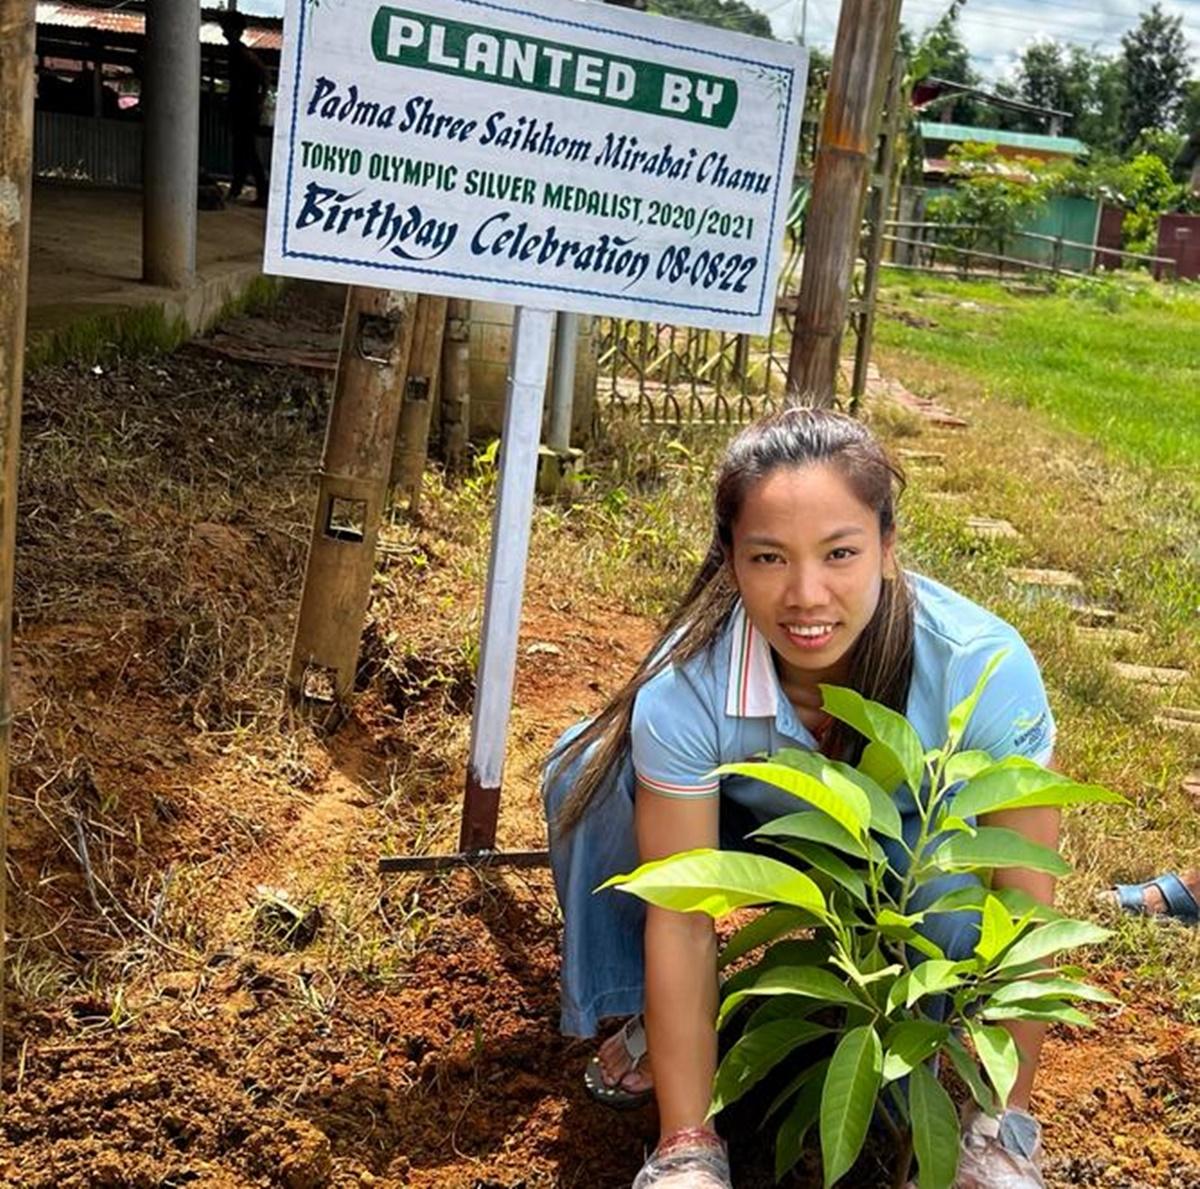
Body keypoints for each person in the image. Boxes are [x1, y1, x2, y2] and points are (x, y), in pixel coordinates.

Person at [542, 408, 1060, 1188]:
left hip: (902, 847)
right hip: (749, 824)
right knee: (588, 773)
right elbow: (680, 912)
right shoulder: (689, 687)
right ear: (731, 561)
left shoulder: (981, 667)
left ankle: (915, 1059)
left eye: (840, 553)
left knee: (958, 909)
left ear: (887, 548)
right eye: (769, 557)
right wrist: (688, 1146)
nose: (806, 596)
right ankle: (654, 1023)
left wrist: (1001, 1124)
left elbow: (1023, 910)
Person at [218, 13, 269, 207]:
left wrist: (258, 101)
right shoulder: (238, 52)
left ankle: (254, 191)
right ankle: (239, 188)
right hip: (242, 108)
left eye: (227, 27)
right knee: (243, 151)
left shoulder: (241, 53)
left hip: (245, 110)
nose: (224, 31)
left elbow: (263, 76)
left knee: (247, 151)